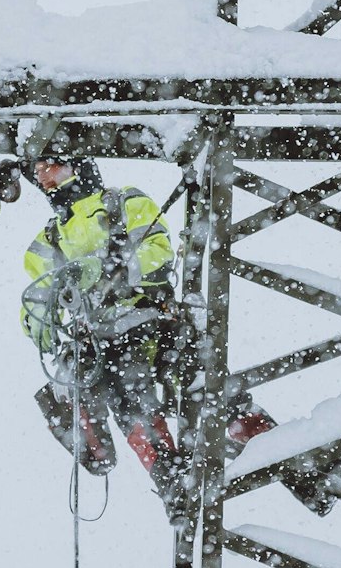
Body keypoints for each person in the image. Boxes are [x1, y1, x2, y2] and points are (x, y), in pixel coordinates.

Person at [18, 155, 275, 521]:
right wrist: (40, 323)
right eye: (39, 174)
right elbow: (37, 298)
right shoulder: (48, 240)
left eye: (51, 168)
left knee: (206, 388)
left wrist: (107, 268)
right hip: (101, 338)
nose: (45, 180)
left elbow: (158, 252)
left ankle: (291, 460)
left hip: (151, 319)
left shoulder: (122, 203)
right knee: (124, 394)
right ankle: (173, 482)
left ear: (77, 165)